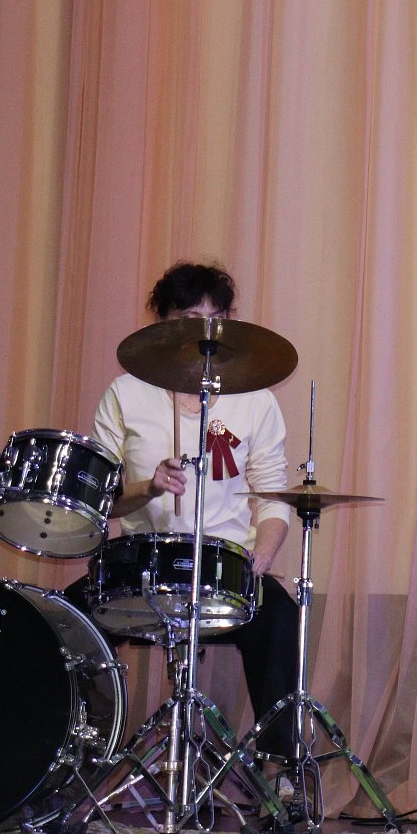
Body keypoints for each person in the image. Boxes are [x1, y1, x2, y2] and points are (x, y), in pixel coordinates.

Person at [70, 261, 299, 764]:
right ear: (163, 323)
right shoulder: (126, 393)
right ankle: (73, 756)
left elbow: (272, 495)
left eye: (214, 319)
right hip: (142, 566)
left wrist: (262, 556)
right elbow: (101, 501)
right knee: (62, 625)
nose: (203, 331)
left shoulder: (255, 399)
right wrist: (148, 487)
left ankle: (280, 768)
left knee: (280, 616)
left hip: (226, 566)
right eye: (189, 318)